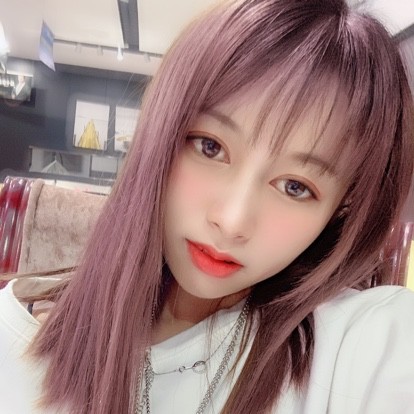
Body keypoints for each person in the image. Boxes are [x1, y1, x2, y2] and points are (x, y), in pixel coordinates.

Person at [1, 0, 414, 413]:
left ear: (339, 210)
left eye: (295, 187)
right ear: (160, 134)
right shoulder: (14, 341)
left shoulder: (360, 346)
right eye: (210, 147)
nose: (231, 221)